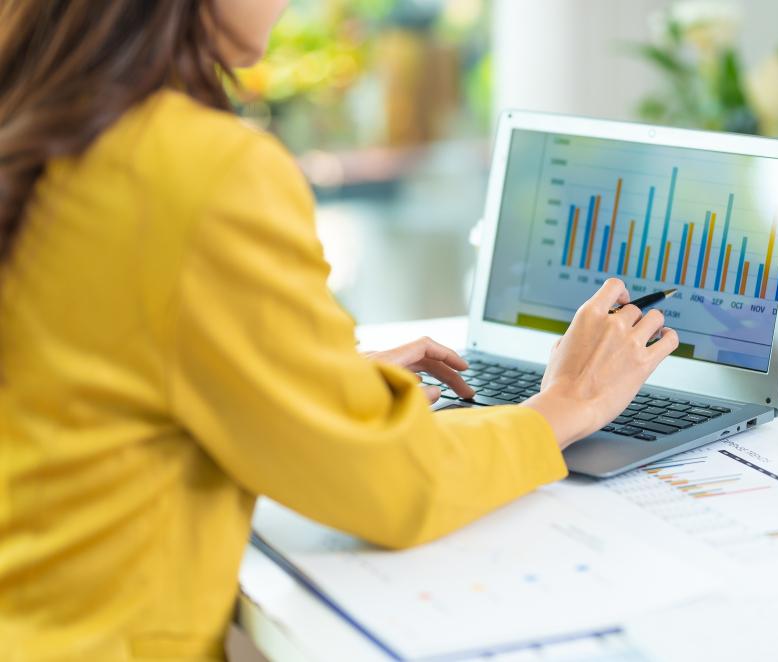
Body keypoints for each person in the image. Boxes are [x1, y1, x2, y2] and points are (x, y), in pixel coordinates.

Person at [0, 1, 679, 658]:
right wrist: (565, 404)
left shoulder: (38, 115)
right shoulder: (201, 169)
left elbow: (93, 372)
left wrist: (312, 380)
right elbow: (396, 486)